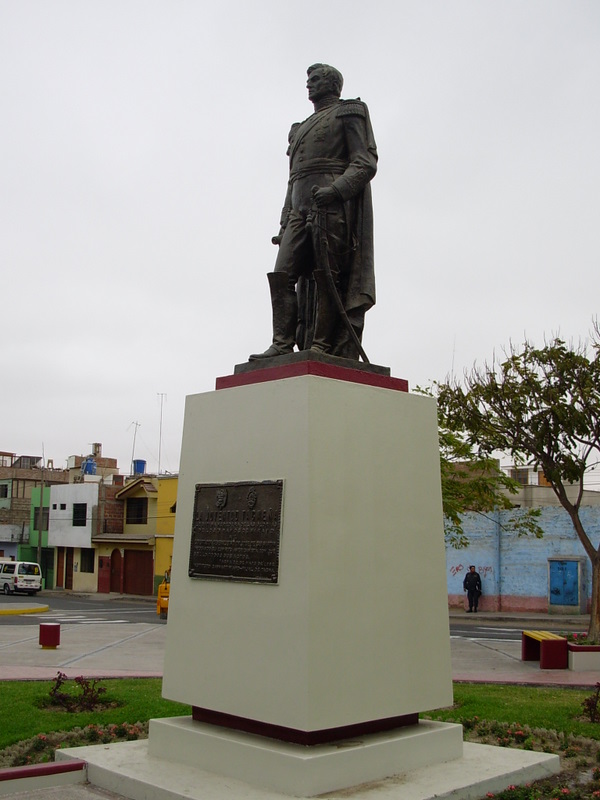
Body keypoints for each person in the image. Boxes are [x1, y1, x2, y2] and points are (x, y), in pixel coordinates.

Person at [249, 63, 378, 362]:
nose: (309, 84)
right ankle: (282, 343)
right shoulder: (299, 129)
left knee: (327, 275)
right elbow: (293, 179)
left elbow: (364, 163)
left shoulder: (349, 112)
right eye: (308, 80)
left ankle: (322, 344)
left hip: (332, 204)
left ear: (333, 84)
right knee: (282, 274)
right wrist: (285, 220)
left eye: (316, 79)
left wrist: (335, 190)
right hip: (300, 206)